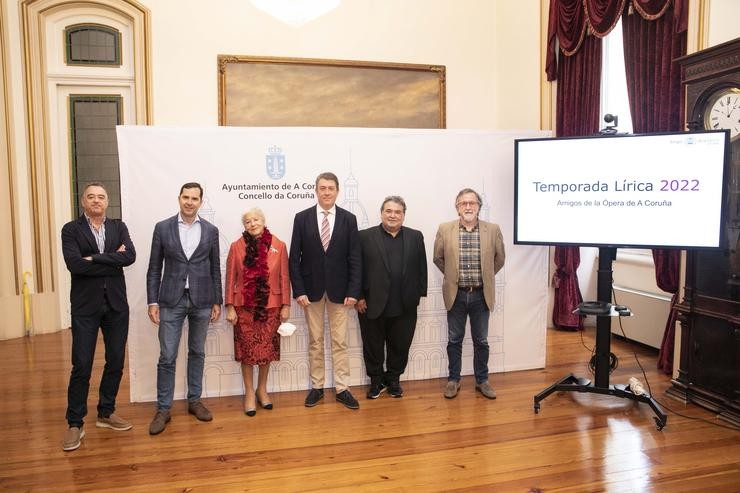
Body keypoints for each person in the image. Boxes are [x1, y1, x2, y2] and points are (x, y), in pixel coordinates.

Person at [60, 182, 136, 451]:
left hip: (116, 305)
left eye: (101, 197)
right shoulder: (71, 229)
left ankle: (106, 412)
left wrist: (93, 259)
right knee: (81, 364)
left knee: (115, 361)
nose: (96, 200)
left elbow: (130, 258)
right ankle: (74, 423)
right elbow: (75, 265)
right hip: (85, 307)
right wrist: (110, 259)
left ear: (107, 201)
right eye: (91, 196)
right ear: (83, 201)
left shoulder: (118, 227)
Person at [146, 182, 222, 435]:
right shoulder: (162, 227)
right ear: (179, 198)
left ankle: (194, 401)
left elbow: (214, 269)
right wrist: (152, 301)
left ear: (201, 202)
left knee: (197, 352)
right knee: (167, 356)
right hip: (170, 300)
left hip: (202, 299)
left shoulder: (211, 230)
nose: (190, 202)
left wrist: (217, 301)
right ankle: (163, 409)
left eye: (194, 198)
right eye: (185, 197)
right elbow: (154, 268)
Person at [289, 172, 362, 410]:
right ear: (316, 190)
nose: (327, 192)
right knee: (315, 341)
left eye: (331, 188)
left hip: (341, 293)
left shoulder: (349, 219)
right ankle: (317, 386)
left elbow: (355, 258)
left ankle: (342, 388)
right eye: (322, 188)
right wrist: (298, 290)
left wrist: (353, 290)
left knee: (340, 341)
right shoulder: (302, 218)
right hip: (311, 293)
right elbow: (294, 259)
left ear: (337, 191)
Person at [433, 188, 505, 400]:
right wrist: (453, 276)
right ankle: (453, 380)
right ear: (457, 208)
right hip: (456, 294)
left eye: (472, 203)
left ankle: (482, 381)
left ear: (479, 207)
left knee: (481, 341)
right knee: (454, 340)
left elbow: (499, 259)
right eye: (463, 203)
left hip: (481, 295)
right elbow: (438, 258)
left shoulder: (492, 230)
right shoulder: (445, 229)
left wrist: (487, 276)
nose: (468, 206)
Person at [356, 196, 427, 399]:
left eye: (397, 212)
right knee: (373, 345)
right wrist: (358, 296)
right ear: (381, 213)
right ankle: (376, 382)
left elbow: (422, 267)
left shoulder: (415, 236)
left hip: (405, 304)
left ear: (403, 215)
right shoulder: (364, 237)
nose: (392, 215)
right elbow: (356, 268)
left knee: (400, 344)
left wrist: (419, 294)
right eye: (389, 211)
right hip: (371, 304)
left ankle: (394, 379)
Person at [224, 208, 291, 416]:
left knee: (266, 352)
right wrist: (230, 306)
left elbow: (284, 277)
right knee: (247, 353)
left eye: (255, 220)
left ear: (263, 221)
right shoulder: (236, 247)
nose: (252, 224)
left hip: (271, 307)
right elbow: (230, 278)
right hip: (244, 308)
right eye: (247, 222)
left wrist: (286, 305)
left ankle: (262, 389)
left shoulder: (279, 246)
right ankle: (249, 394)